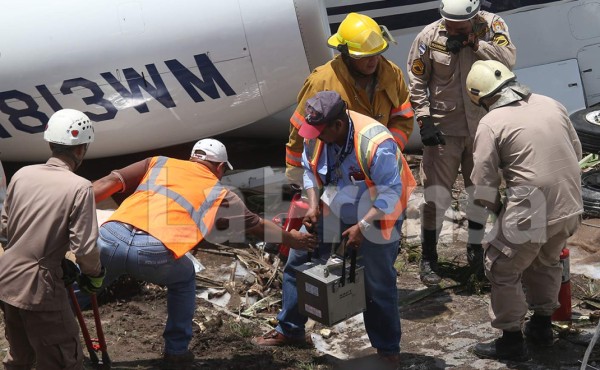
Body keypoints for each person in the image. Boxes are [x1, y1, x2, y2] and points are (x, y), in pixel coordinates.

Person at [91, 138, 316, 364]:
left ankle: (57, 317)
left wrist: (68, 208)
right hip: (152, 251)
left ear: (193, 157)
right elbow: (258, 227)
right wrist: (293, 239)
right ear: (219, 168)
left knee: (90, 282)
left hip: (112, 235)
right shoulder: (220, 193)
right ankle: (176, 351)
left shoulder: (158, 162)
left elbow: (110, 181)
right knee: (184, 277)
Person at [253, 91, 415, 369]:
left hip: (378, 213)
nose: (313, 137)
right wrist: (313, 206)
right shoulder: (315, 135)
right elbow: (308, 170)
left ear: (337, 126)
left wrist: (362, 227)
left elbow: (391, 193)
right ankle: (290, 329)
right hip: (336, 205)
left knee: (377, 282)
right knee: (298, 261)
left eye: (319, 132)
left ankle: (388, 350)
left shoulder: (376, 143)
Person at [465, 60, 583, 361]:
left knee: (501, 266)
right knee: (546, 260)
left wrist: (499, 209)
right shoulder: (552, 104)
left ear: (482, 97)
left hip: (532, 208)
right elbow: (577, 151)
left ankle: (511, 341)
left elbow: (482, 183)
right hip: (570, 203)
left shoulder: (491, 122)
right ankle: (542, 327)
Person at [406, 0, 517, 285]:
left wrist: (476, 44)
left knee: (480, 191)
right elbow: (417, 80)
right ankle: (429, 257)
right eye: (450, 26)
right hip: (444, 130)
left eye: (461, 26)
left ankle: (475, 249)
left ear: (474, 18)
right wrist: (424, 119)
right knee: (435, 195)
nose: (453, 30)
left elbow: (508, 61)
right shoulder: (428, 38)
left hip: (483, 127)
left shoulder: (492, 27)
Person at [0, 109, 104, 369]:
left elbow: (4, 230)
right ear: (81, 149)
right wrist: (93, 274)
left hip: (7, 280)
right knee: (62, 359)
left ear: (50, 143)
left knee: (20, 358)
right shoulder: (80, 187)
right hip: (40, 289)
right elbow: (85, 247)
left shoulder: (22, 174)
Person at [285, 12, 414, 186]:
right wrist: (297, 177)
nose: (374, 60)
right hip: (337, 173)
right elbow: (301, 130)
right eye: (365, 56)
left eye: (377, 53)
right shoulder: (322, 82)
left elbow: (403, 118)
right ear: (346, 53)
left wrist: (385, 153)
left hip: (378, 170)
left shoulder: (392, 74)